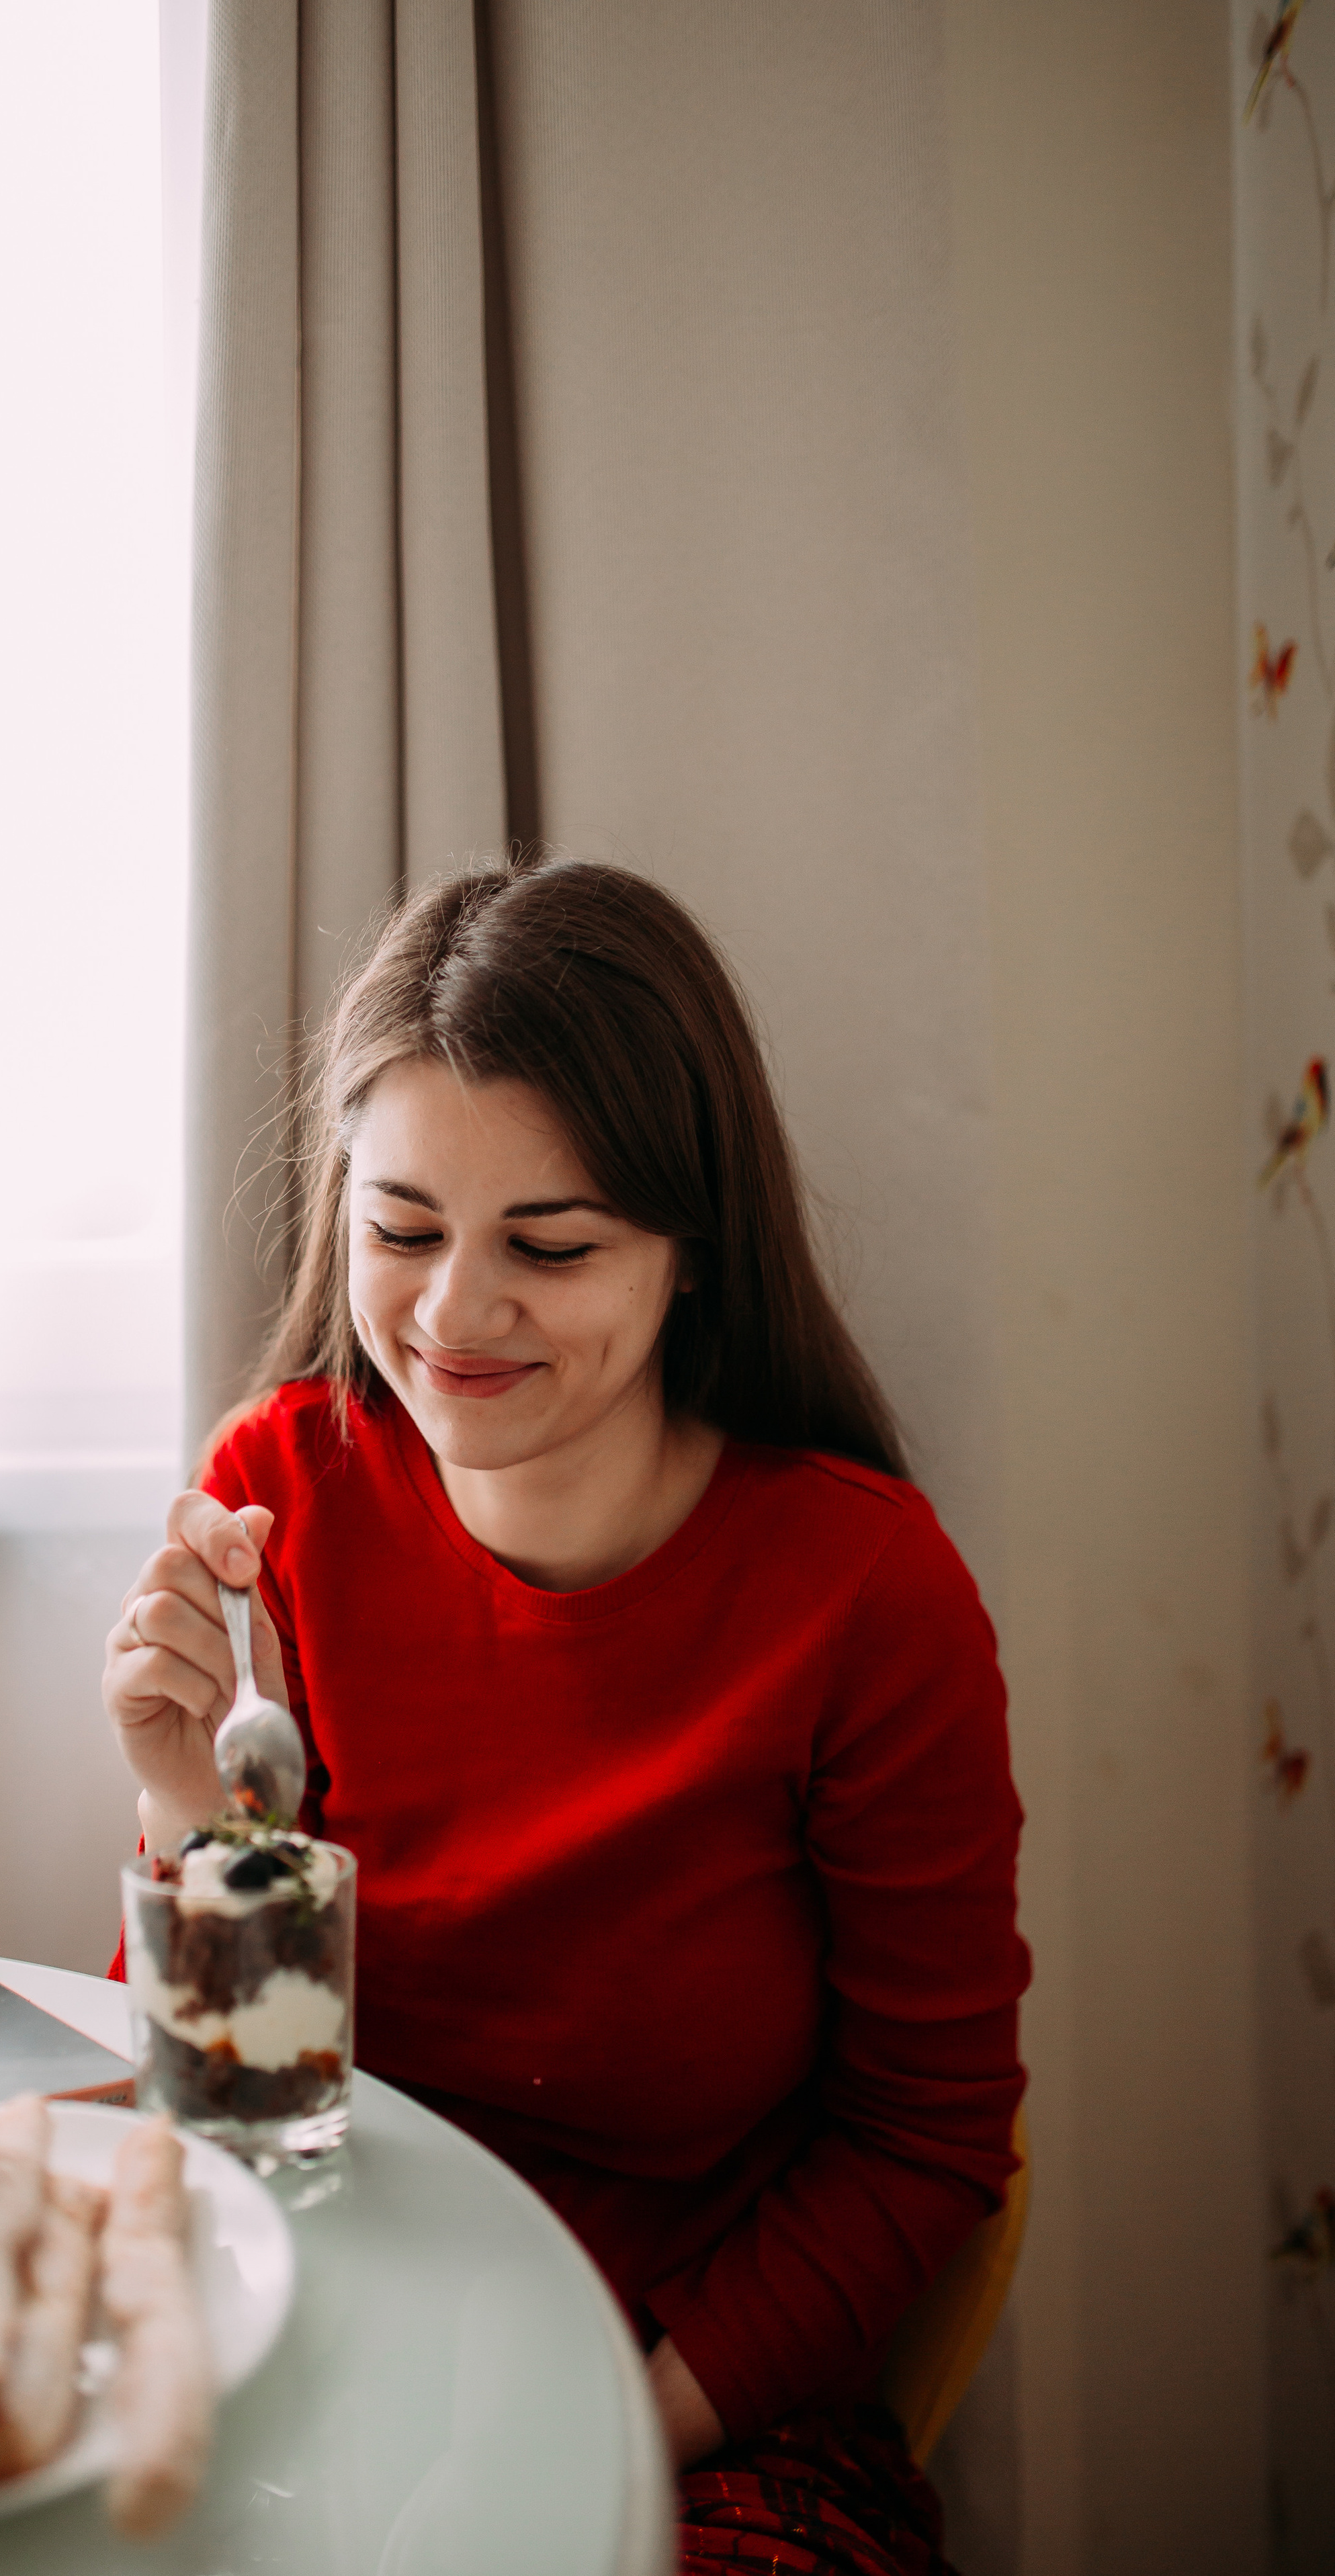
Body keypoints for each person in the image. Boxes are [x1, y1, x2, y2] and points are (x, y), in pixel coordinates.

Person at [102, 852, 1028, 2575]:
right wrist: (189, 1825)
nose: (451, 1315)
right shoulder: (276, 1498)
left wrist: (596, 2416)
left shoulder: (859, 1594)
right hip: (317, 2346)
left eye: (549, 1245)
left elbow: (924, 2142)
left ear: (690, 1253)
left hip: (690, 2411)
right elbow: (221, 2116)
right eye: (399, 1232)